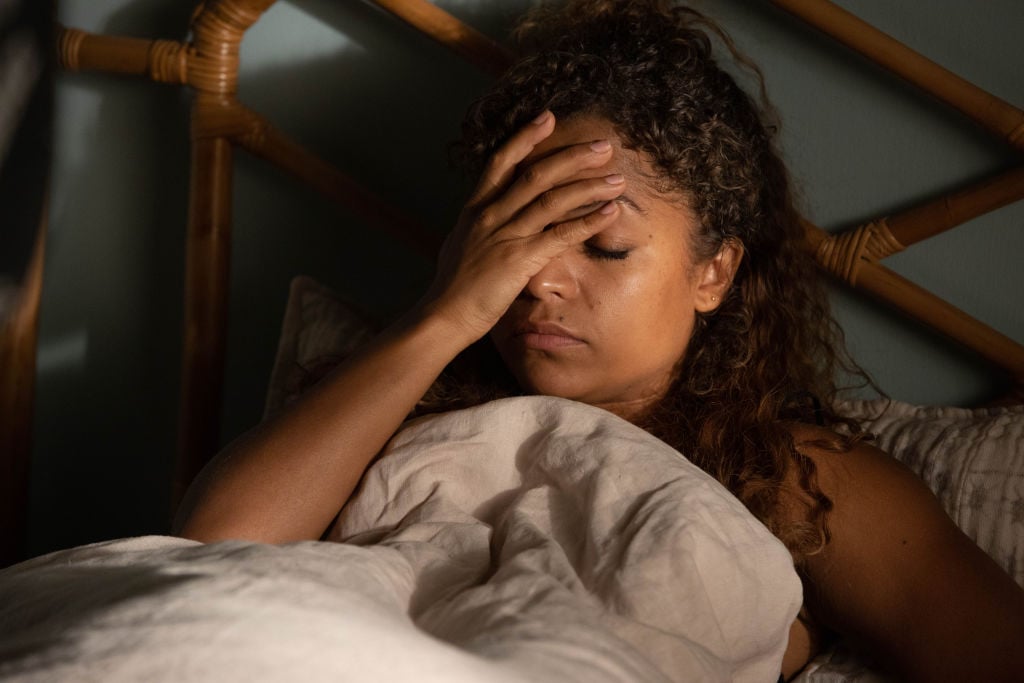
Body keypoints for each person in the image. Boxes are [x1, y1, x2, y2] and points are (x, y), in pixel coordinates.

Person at [175, 0, 1024, 679]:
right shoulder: (400, 408)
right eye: (520, 238)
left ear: (714, 272)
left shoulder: (793, 478)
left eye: (605, 247)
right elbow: (207, 563)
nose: (540, 279)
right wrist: (446, 310)